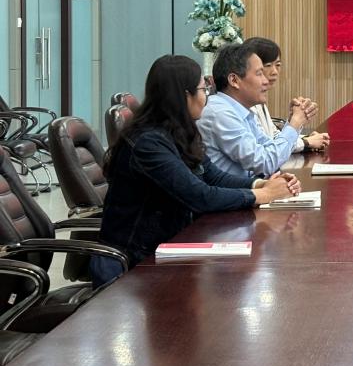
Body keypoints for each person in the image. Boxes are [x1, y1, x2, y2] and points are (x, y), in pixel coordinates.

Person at [93, 55, 299, 286]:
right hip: (134, 264)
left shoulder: (180, 131)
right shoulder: (148, 143)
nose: (207, 98)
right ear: (185, 96)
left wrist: (260, 184)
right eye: (203, 90)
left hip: (166, 248)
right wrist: (263, 195)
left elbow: (212, 175)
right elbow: (199, 196)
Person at [198, 42, 314, 178]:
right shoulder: (220, 113)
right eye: (259, 74)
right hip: (235, 191)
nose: (266, 81)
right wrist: (294, 124)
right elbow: (265, 163)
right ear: (234, 80)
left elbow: (270, 150)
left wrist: (292, 123)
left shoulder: (241, 109)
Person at [247, 37, 330, 153]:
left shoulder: (259, 99)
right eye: (268, 65)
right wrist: (306, 142)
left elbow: (274, 137)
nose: (274, 72)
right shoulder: (247, 102)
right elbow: (267, 150)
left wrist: (293, 122)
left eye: (278, 65)